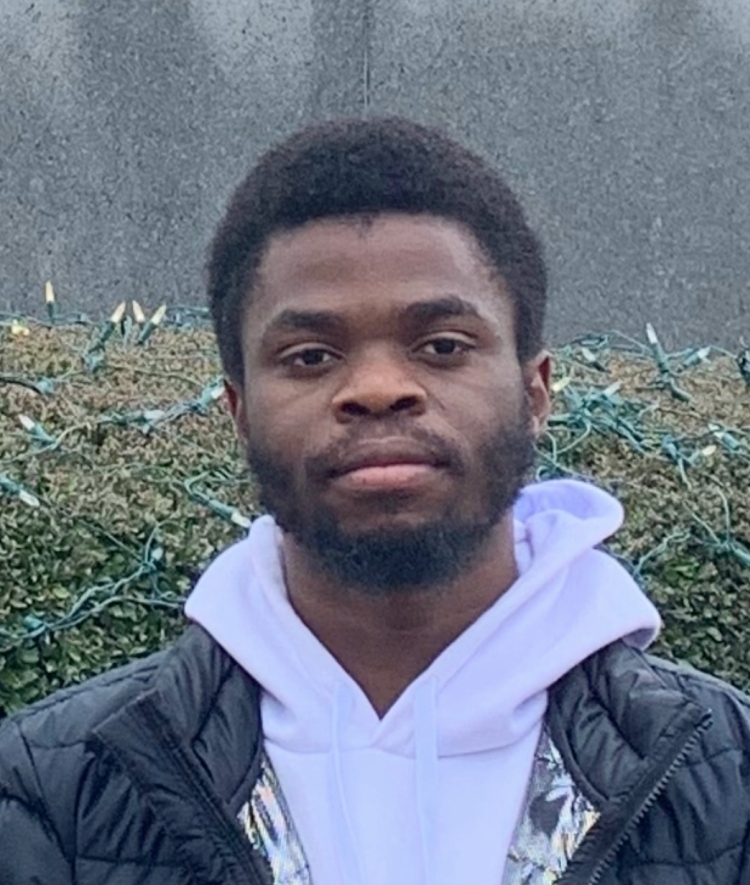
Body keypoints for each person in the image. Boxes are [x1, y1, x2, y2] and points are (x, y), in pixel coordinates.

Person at [0, 117, 748, 885]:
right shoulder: (48, 793)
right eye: (311, 356)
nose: (378, 388)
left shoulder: (729, 780)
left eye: (443, 346)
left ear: (535, 392)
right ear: (240, 411)